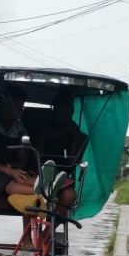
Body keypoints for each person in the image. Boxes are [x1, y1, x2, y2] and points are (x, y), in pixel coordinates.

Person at [0, 84, 64, 250]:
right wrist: (8, 170)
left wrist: (14, 167)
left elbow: (23, 159)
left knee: (28, 178)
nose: (22, 111)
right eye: (18, 106)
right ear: (5, 105)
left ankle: (44, 186)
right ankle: (46, 192)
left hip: (11, 168)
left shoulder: (19, 128)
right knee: (10, 184)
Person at [35, 91, 89, 221]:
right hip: (41, 175)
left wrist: (74, 135)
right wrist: (64, 131)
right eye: (56, 110)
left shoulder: (82, 138)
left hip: (62, 178)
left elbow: (72, 162)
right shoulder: (45, 132)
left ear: (71, 112)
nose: (59, 114)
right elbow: (37, 158)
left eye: (64, 110)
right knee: (38, 189)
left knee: (70, 196)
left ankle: (46, 234)